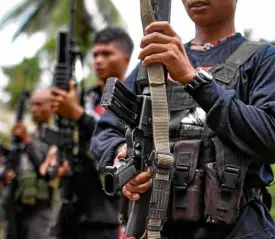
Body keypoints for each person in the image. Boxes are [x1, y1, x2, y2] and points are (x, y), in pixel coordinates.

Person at [91, 0, 275, 238]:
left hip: (239, 229)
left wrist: (193, 80)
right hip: (161, 229)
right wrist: (123, 155)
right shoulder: (155, 62)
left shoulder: (262, 59)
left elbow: (270, 136)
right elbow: (105, 131)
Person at [50, 26, 134, 239]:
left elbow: (117, 137)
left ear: (126, 58)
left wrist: (78, 114)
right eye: (95, 54)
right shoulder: (83, 97)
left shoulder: (133, 100)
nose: (98, 60)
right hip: (73, 205)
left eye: (106, 53)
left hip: (107, 211)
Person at [7, 89, 61, 239]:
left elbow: (46, 169)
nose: (33, 109)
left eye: (39, 104)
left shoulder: (58, 135)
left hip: (43, 207)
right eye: (32, 105)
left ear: (52, 106)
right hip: (20, 204)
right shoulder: (32, 135)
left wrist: (27, 141)